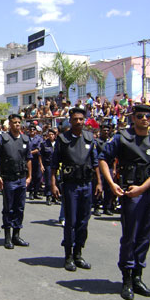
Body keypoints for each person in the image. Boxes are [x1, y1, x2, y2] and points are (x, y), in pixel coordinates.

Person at [99, 105, 150, 300]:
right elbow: (103, 158)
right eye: (140, 116)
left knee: (146, 234)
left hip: (148, 192)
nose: (144, 118)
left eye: (148, 116)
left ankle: (138, 276)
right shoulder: (122, 137)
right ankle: (126, 278)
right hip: (130, 193)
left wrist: (143, 188)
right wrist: (111, 183)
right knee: (130, 236)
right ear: (133, 118)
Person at [51, 108, 102, 272]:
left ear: (85, 120)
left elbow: (95, 163)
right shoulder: (62, 139)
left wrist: (99, 183)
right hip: (70, 185)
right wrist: (53, 184)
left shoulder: (89, 138)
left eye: (81, 119)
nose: (78, 122)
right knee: (70, 222)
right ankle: (68, 256)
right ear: (70, 121)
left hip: (86, 184)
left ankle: (78, 254)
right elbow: (54, 164)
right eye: (75, 119)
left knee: (83, 221)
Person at [0, 114, 32, 249]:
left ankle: (16, 235)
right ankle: (7, 237)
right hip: (8, 179)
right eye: (14, 122)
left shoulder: (26, 139)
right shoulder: (2, 139)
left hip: (21, 178)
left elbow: (29, 159)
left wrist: (29, 176)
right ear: (9, 124)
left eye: (19, 122)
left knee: (19, 208)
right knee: (8, 208)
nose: (17, 125)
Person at [40, 128, 58, 206]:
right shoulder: (44, 144)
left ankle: (55, 197)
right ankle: (48, 196)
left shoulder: (58, 143)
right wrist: (41, 165)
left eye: (52, 134)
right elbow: (40, 155)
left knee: (56, 180)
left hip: (56, 165)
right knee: (48, 181)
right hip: (48, 164)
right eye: (49, 134)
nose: (51, 136)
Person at [27, 124, 43, 200]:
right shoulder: (26, 138)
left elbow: (38, 149)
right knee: (30, 176)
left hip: (36, 159)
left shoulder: (39, 138)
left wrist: (30, 152)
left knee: (38, 177)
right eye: (30, 130)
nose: (32, 131)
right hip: (28, 160)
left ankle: (36, 192)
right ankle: (31, 192)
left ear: (36, 131)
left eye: (33, 129)